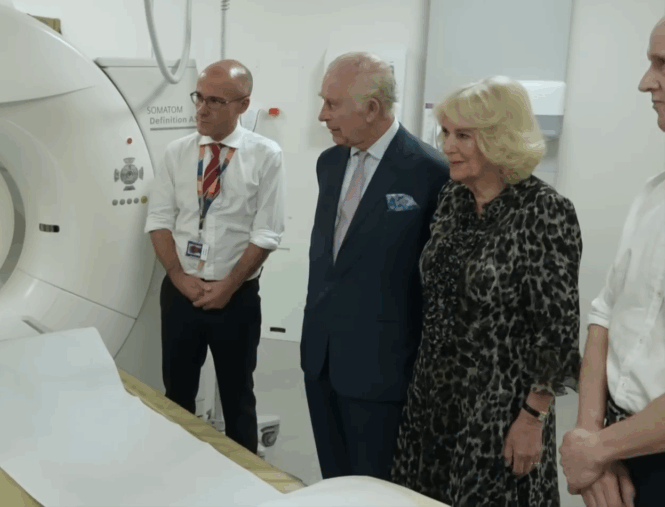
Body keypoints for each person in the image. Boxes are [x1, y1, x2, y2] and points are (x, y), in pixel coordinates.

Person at [388, 75, 584, 506]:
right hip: (432, 399)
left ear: (499, 139)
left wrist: (532, 418)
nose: (448, 146)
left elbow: (558, 330)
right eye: (445, 133)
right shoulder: (452, 199)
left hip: (498, 408)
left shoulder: (544, 210)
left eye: (463, 136)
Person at [302, 52, 449, 481]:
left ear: (371, 109)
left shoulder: (429, 172)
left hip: (382, 369)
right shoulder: (329, 164)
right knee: (335, 481)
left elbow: (430, 284)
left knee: (377, 486)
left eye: (332, 104)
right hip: (321, 356)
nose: (320, 115)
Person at [145, 59, 285, 454]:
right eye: (199, 98)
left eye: (216, 101)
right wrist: (176, 273)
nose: (202, 110)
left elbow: (267, 232)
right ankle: (178, 470)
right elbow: (158, 219)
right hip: (180, 292)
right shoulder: (176, 152)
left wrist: (228, 285)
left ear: (243, 105)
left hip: (235, 296)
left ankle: (244, 480)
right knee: (178, 393)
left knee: (238, 395)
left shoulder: (265, 155)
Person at [560, 16, 665, 507]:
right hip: (620, 445)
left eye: (662, 64)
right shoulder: (653, 195)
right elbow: (604, 315)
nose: (646, 81)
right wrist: (590, 432)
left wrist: (597, 448)